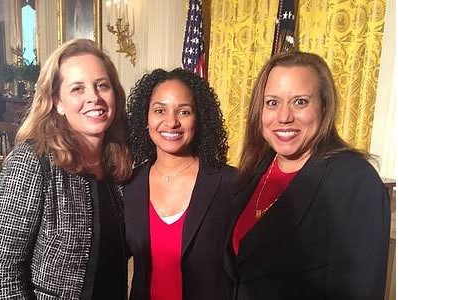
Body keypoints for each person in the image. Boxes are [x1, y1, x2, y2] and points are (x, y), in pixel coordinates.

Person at [226, 51, 391, 299]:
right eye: (272, 102)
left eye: (300, 101)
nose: (284, 116)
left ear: (324, 107)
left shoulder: (355, 181)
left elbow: (360, 290)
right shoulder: (258, 167)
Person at [0, 39, 133, 299]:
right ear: (58, 102)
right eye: (77, 88)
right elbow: (3, 274)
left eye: (102, 85)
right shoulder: (33, 161)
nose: (94, 97)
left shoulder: (120, 161)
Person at [125, 68, 236, 300]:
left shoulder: (229, 184)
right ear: (145, 118)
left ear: (199, 119)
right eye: (159, 110)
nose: (171, 122)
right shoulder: (130, 184)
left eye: (184, 111)